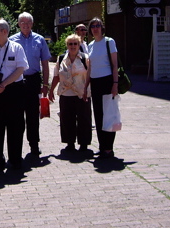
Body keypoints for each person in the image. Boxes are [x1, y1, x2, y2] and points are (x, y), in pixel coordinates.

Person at [0, 19, 28, 171]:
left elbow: (20, 69)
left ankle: (15, 159)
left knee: (16, 126)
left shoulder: (17, 48)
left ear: (4, 32)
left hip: (14, 90)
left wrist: (4, 84)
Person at [9, 12, 51, 156]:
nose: (25, 25)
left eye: (28, 22)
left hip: (33, 80)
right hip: (17, 81)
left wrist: (46, 86)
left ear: (32, 24)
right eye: (22, 22)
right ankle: (17, 147)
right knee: (17, 116)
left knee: (33, 115)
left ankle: (34, 144)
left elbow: (45, 64)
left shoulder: (40, 40)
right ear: (18, 24)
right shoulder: (12, 40)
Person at [48, 34, 92, 153]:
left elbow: (89, 76)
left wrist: (87, 90)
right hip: (65, 93)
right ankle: (70, 143)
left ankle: (84, 144)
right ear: (67, 45)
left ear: (79, 45)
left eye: (75, 44)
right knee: (67, 119)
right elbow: (56, 76)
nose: (73, 46)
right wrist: (51, 90)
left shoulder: (85, 58)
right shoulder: (61, 58)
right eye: (70, 44)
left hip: (81, 94)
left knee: (84, 119)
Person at [83, 17, 119, 159]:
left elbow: (115, 65)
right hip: (95, 83)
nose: (95, 28)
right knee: (98, 116)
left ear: (102, 27)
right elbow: (90, 68)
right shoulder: (90, 45)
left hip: (108, 81)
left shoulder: (109, 42)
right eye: (93, 26)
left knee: (109, 115)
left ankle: (109, 148)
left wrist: (115, 84)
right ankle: (102, 146)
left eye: (98, 25)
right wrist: (86, 87)